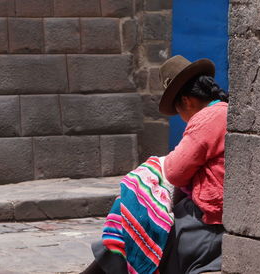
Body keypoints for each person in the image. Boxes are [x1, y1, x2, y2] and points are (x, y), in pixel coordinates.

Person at [82, 55, 228, 274]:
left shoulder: (207, 119)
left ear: (187, 101)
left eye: (179, 111)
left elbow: (175, 172)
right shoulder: (225, 111)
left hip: (210, 212)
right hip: (216, 205)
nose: (183, 118)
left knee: (141, 217)